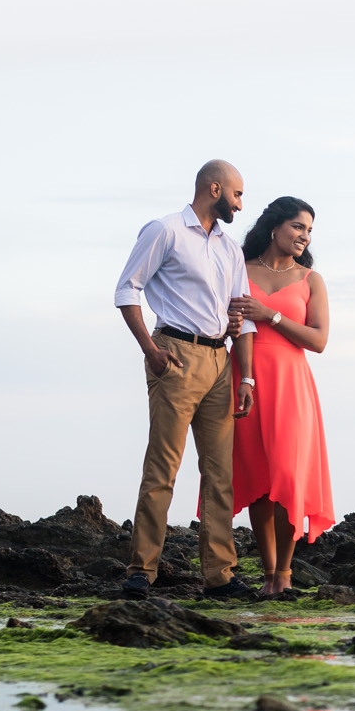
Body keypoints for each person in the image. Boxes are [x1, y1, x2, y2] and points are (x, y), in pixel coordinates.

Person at [113, 159, 260, 602]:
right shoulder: (165, 230)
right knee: (163, 467)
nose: (240, 202)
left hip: (221, 360)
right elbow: (126, 289)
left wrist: (246, 377)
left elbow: (244, 314)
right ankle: (142, 570)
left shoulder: (230, 248)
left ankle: (220, 575)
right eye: (236, 194)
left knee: (220, 475)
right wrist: (151, 351)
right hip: (175, 355)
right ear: (214, 188)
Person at [231, 197, 334, 596]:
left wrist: (269, 314)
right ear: (274, 228)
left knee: (289, 476)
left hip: (292, 383)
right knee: (258, 477)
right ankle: (269, 573)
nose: (304, 236)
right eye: (297, 227)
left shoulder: (311, 280)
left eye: (308, 230)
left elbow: (319, 339)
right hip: (246, 377)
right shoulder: (240, 269)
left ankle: (286, 574)